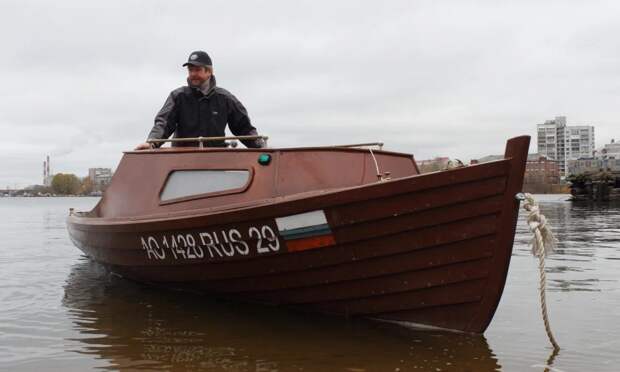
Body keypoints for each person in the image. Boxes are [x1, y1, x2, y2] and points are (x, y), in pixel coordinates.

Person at [135, 51, 265, 150]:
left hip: (216, 161)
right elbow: (163, 123)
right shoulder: (178, 96)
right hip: (181, 161)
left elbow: (243, 127)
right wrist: (151, 143)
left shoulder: (225, 99)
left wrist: (260, 146)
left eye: (197, 70)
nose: (192, 74)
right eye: (190, 70)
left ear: (209, 72)